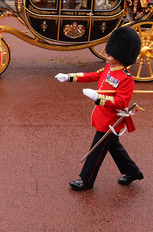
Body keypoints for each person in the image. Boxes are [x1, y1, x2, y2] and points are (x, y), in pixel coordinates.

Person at [55, 26, 144, 190]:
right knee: (114, 147)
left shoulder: (126, 78)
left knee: (97, 150)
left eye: (110, 54)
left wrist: (98, 98)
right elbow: (93, 75)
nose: (106, 55)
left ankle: (87, 180)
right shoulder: (109, 68)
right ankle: (133, 171)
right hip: (102, 116)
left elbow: (121, 103)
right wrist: (69, 77)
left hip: (111, 121)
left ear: (120, 56)